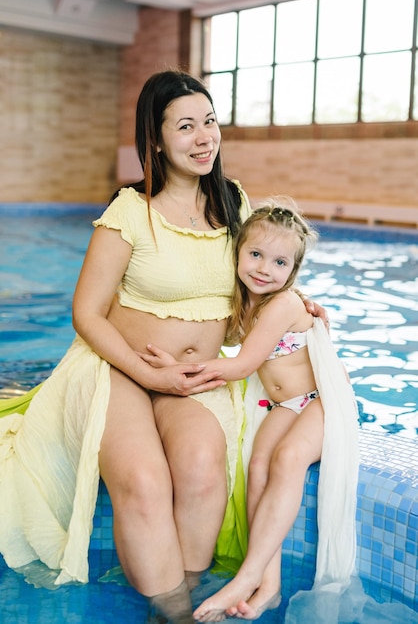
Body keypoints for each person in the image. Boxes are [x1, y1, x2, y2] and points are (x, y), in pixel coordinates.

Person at [0, 71, 327, 624]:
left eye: (210, 122)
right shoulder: (130, 209)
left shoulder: (232, 203)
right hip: (120, 368)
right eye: (185, 126)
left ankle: (186, 591)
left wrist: (299, 301)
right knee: (144, 479)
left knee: (202, 469)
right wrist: (147, 374)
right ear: (155, 139)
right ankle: (173, 612)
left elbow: (262, 271)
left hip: (196, 375)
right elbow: (86, 314)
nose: (204, 138)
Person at [139, 197, 360, 622]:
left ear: (292, 273)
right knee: (257, 465)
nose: (263, 268)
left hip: (322, 402)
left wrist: (178, 372)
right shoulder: (246, 304)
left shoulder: (284, 304)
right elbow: (218, 347)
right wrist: (177, 360)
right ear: (237, 252)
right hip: (285, 404)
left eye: (279, 262)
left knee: (289, 458)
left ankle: (248, 575)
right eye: (255, 254)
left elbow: (241, 365)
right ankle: (270, 585)